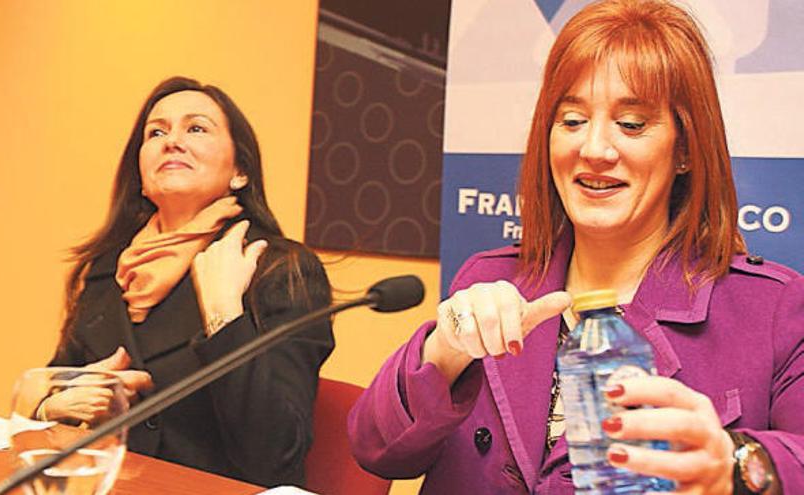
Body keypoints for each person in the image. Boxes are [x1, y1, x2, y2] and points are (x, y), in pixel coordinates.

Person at [348, 1, 803, 493]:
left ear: (686, 149)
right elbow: (376, 450)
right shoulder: (489, 279)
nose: (594, 150)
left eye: (630, 124)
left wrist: (733, 460)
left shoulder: (772, 307)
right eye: (571, 120)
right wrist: (443, 351)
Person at [42, 76, 334, 487]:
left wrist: (224, 315)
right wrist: (59, 404)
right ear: (141, 174)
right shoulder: (109, 267)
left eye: (196, 128)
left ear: (240, 172)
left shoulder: (278, 269)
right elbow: (50, 385)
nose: (171, 141)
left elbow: (276, 457)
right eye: (156, 132)